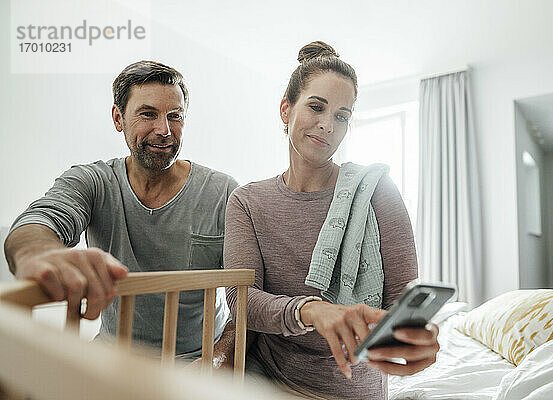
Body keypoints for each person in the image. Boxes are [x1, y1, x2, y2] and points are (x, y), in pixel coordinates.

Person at [223, 42, 439, 399]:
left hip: (356, 387)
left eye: (342, 116)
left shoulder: (376, 190)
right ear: (285, 109)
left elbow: (402, 298)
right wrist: (311, 310)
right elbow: (242, 302)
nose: (327, 125)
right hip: (272, 384)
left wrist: (415, 337)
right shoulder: (247, 202)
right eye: (316, 107)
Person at [4, 60, 238, 364]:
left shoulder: (223, 193)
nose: (164, 130)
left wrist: (215, 362)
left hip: (197, 361)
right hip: (113, 358)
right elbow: (41, 219)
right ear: (119, 118)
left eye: (175, 116)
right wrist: (35, 252)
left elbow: (248, 299)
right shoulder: (93, 182)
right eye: (148, 114)